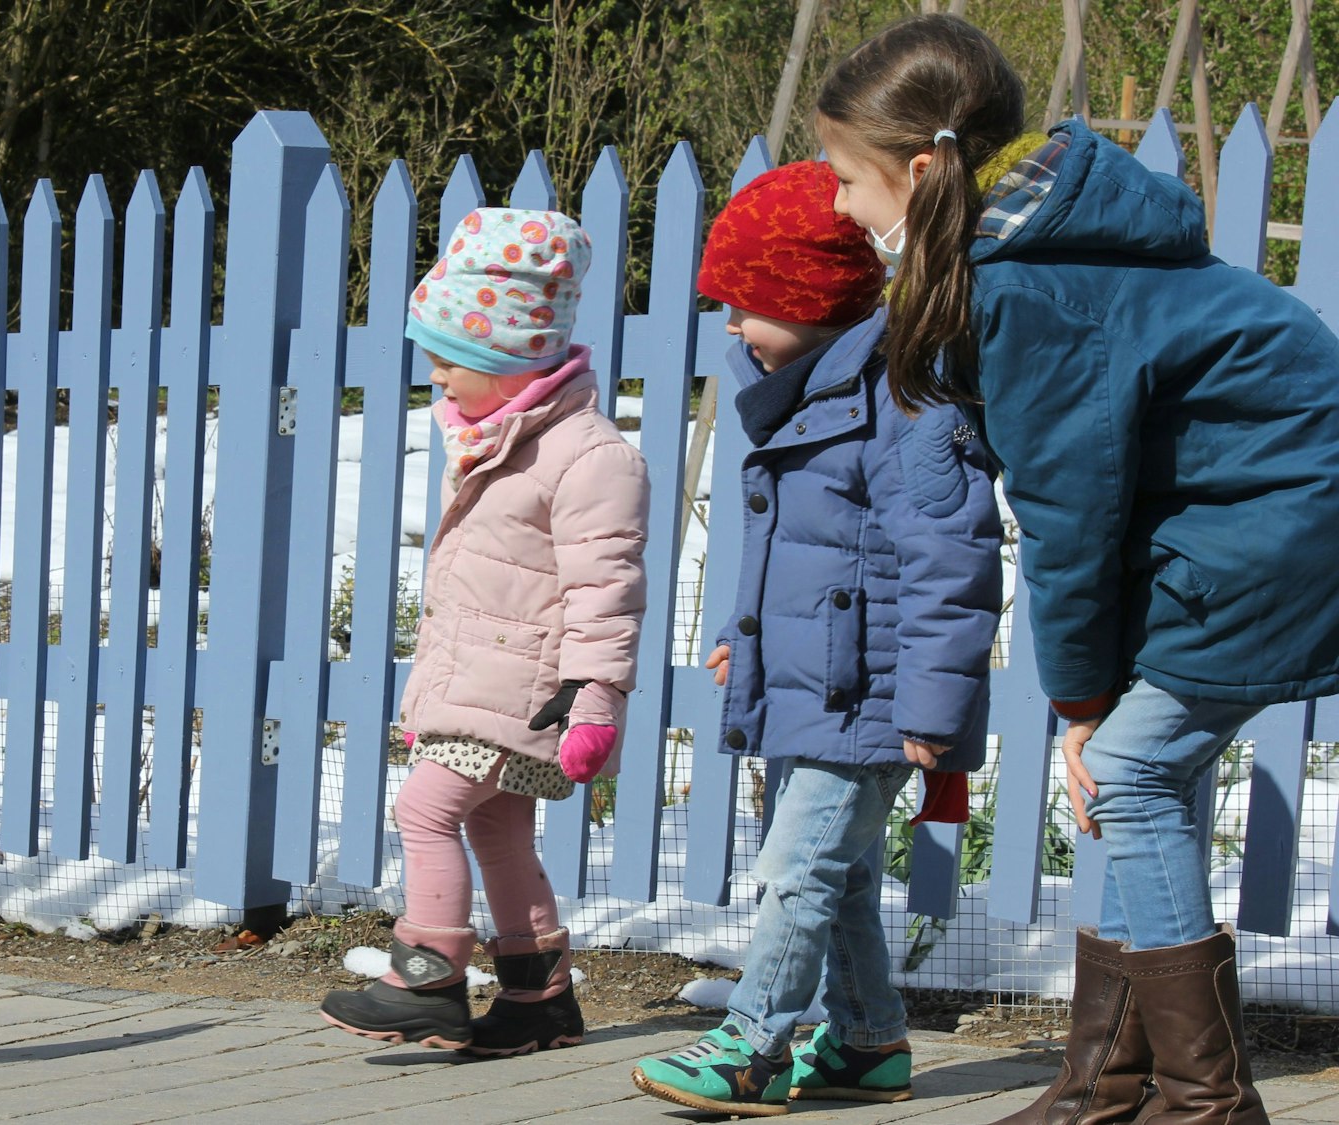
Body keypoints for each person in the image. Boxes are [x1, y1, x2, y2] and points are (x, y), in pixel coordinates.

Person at [812, 14, 1339, 1123]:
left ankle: (1205, 1104)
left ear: (917, 169)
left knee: (1132, 773)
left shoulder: (1028, 287)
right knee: (1156, 785)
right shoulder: (1036, 251)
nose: (835, 206)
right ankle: (1103, 1084)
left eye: (844, 179)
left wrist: (1081, 703)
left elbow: (1068, 513)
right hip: (1242, 523)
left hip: (1278, 529)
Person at [630, 160, 1003, 1117]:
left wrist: (933, 705)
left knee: (797, 872)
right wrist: (744, 640)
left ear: (812, 301)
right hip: (815, 683)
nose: (730, 325)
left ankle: (753, 1042)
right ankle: (869, 1040)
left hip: (870, 697)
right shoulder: (809, 394)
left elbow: (950, 563)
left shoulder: (908, 403)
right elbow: (808, 555)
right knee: (835, 878)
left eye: (746, 302)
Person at [318, 206, 649, 1057]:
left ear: (512, 360)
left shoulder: (588, 455)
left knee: (424, 807)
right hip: (490, 682)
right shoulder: (503, 440)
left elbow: (605, 590)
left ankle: (427, 975)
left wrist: (597, 700)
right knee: (498, 827)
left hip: (531, 693)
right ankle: (538, 995)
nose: (436, 378)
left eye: (449, 360)